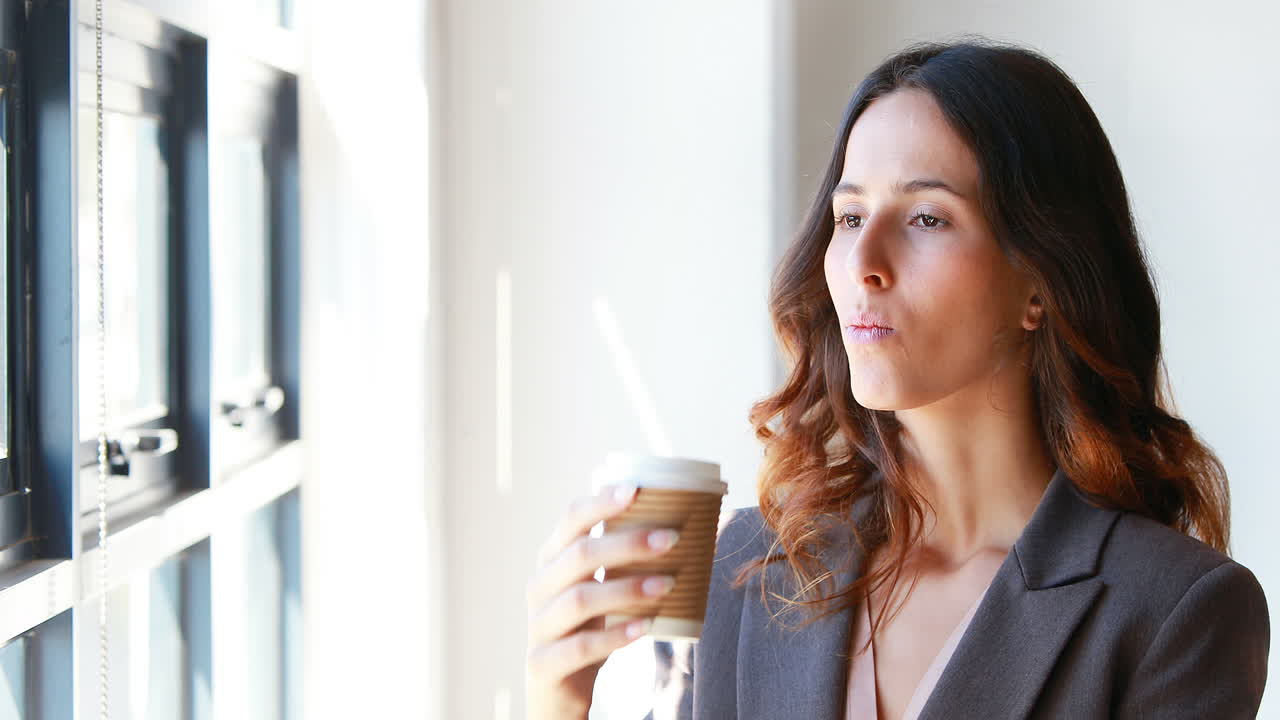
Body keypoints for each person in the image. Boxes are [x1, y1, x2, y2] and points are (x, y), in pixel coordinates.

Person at [524, 39, 1271, 719]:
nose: (862, 263)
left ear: (1040, 283)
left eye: (925, 218)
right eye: (849, 218)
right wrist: (561, 702)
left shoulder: (1175, 609)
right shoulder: (751, 571)